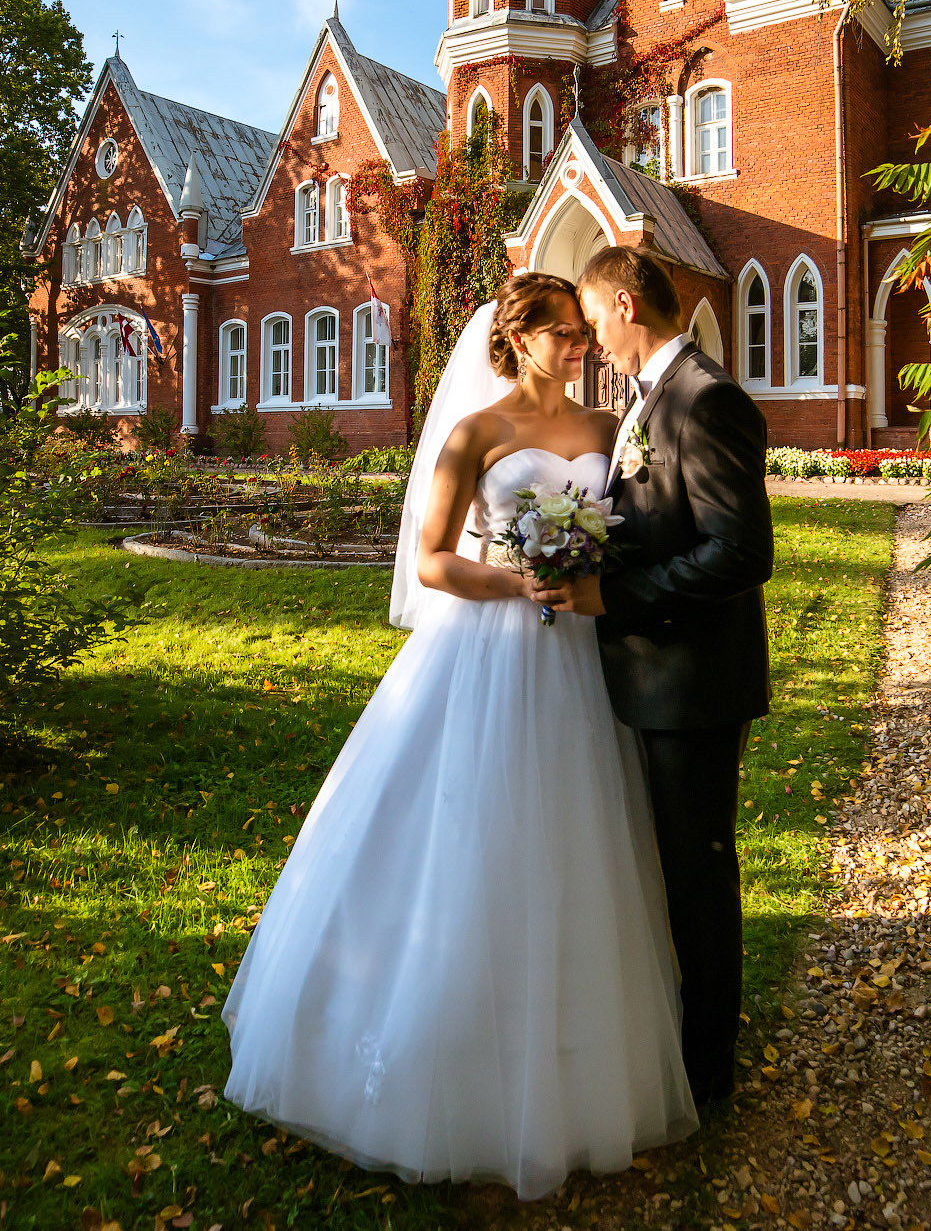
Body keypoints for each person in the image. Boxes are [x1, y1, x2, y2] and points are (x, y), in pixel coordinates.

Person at [221, 271, 697, 1200]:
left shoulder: (608, 434)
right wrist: (518, 581)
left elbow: (632, 534)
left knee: (577, 840)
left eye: (580, 332)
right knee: (473, 832)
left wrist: (589, 570)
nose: (580, 346)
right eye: (561, 332)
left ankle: (573, 1050)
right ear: (518, 339)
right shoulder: (475, 435)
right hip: (488, 649)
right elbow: (433, 559)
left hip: (580, 662)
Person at [536, 246, 775, 1111]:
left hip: (695, 685)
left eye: (595, 320)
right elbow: (659, 519)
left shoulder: (704, 399)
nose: (594, 341)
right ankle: (676, 1041)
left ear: (627, 305)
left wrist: (615, 595)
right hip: (653, 679)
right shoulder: (647, 401)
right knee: (669, 868)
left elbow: (742, 552)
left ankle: (708, 1070)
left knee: (698, 874)